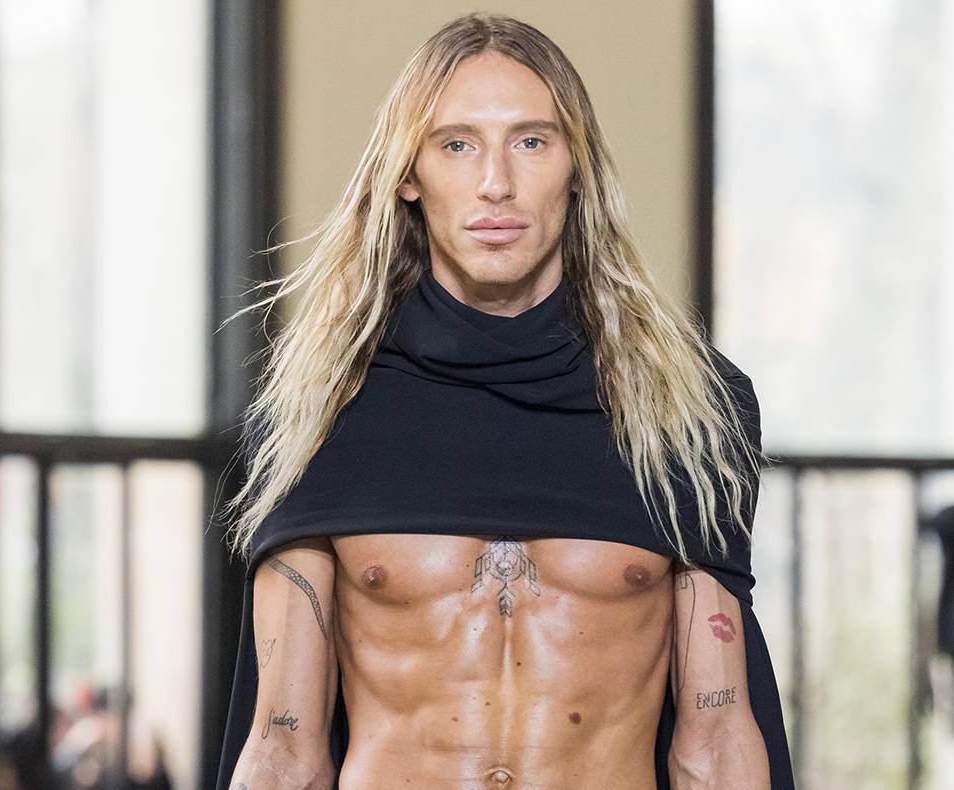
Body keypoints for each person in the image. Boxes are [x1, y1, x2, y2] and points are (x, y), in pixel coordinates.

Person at [215, 12, 793, 789]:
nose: (496, 182)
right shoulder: (320, 411)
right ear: (409, 174)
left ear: (577, 167)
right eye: (457, 144)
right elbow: (285, 747)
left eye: (531, 142)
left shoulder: (685, 409)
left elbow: (715, 739)